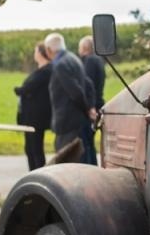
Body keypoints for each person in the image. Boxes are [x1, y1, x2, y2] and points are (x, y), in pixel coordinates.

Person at [44, 33, 96, 162]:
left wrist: (86, 109)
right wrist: (90, 107)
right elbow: (89, 84)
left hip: (67, 123)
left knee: (67, 162)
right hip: (77, 121)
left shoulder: (61, 65)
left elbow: (76, 92)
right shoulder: (74, 58)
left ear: (49, 49)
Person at [14, 42, 54, 170]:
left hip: (36, 117)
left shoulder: (46, 70)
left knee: (35, 149)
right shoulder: (41, 70)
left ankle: (38, 172)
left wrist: (19, 90)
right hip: (31, 116)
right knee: (30, 148)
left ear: (41, 53)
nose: (34, 54)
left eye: (36, 51)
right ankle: (34, 172)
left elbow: (28, 88)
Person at [77, 35, 106, 165]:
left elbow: (88, 85)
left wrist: (89, 107)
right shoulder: (99, 60)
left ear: (84, 47)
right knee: (89, 142)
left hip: (91, 106)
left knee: (86, 143)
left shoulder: (89, 61)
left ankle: (89, 168)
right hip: (98, 103)